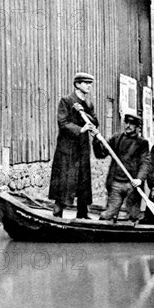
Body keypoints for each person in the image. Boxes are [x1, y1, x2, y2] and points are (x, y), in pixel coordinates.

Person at [49, 72, 99, 219]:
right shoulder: (66, 101)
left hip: (83, 147)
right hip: (67, 148)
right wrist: (80, 129)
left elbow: (95, 122)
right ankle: (57, 214)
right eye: (86, 83)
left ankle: (83, 214)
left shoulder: (88, 104)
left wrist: (84, 113)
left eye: (90, 83)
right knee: (64, 180)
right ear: (77, 84)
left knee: (83, 180)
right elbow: (63, 123)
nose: (89, 86)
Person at [93, 113, 150, 222]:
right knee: (108, 215)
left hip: (132, 185)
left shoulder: (142, 143)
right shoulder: (116, 138)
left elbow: (145, 162)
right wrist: (96, 140)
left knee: (133, 217)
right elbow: (101, 154)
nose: (128, 125)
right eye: (126, 122)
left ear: (138, 127)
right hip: (116, 183)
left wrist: (139, 179)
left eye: (132, 124)